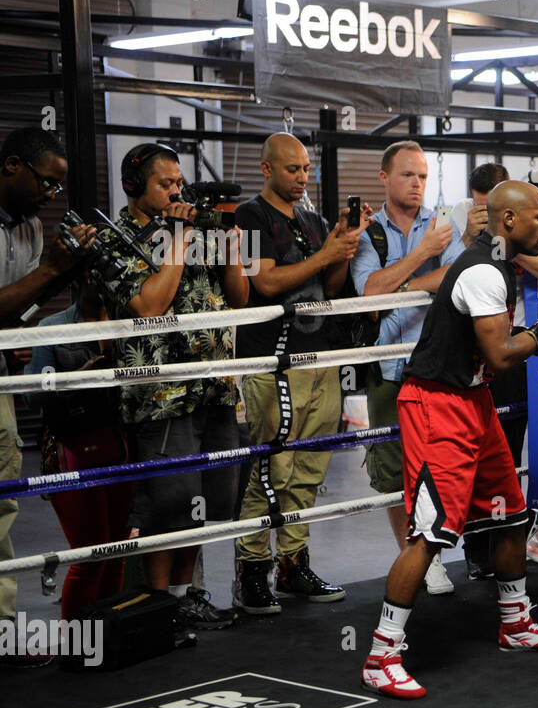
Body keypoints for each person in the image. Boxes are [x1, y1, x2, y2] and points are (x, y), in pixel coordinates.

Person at [360, 181, 538, 699]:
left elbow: (510, 351)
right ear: (507, 221)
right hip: (437, 406)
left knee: (511, 514)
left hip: (474, 400)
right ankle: (381, 653)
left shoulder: (503, 263)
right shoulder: (483, 270)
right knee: (432, 532)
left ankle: (515, 623)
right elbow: (504, 354)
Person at [98, 142, 248, 629]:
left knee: (203, 501)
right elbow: (149, 307)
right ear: (133, 186)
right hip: (162, 394)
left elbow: (238, 298)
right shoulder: (116, 238)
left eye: (178, 183)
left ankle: (187, 595)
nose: (175, 192)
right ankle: (158, 604)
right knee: (168, 505)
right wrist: (179, 235)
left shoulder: (193, 230)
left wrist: (232, 249)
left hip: (215, 386)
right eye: (165, 184)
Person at [232, 133, 364, 615]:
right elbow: (262, 281)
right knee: (271, 468)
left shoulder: (313, 219)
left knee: (309, 468)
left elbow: (328, 286)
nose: (302, 177)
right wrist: (326, 256)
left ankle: (292, 564)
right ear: (267, 169)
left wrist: (341, 250)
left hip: (318, 355)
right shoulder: (248, 217)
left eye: (306, 169)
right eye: (293, 169)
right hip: (272, 360)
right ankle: (251, 570)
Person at [445, 162, 538, 579]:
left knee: (507, 447)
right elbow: (448, 273)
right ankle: (471, 549)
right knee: (462, 469)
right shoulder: (464, 235)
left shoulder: (530, 217)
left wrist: (515, 247)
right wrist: (477, 238)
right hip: (468, 361)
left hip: (511, 343)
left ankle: (502, 556)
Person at [349, 140, 456, 594]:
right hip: (388, 367)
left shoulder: (443, 225)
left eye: (423, 176)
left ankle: (429, 550)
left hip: (436, 364)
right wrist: (422, 256)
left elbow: (454, 276)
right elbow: (370, 294)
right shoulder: (369, 233)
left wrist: (404, 282)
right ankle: (413, 554)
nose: (417, 184)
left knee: (436, 466)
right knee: (394, 473)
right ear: (384, 178)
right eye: (408, 175)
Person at [0, 127, 88, 665]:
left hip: (0, 383)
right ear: (12, 165)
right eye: (46, 183)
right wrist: (55, 270)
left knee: (3, 502)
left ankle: (2, 626)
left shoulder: (29, 227)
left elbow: (21, 308)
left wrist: (69, 269)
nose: (50, 197)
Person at [26, 282, 131, 620]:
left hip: (119, 445)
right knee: (90, 554)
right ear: (77, 280)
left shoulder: (128, 319)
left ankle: (108, 638)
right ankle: (77, 645)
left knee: (116, 550)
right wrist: (78, 379)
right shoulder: (52, 328)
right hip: (71, 446)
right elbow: (32, 396)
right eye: (90, 274)